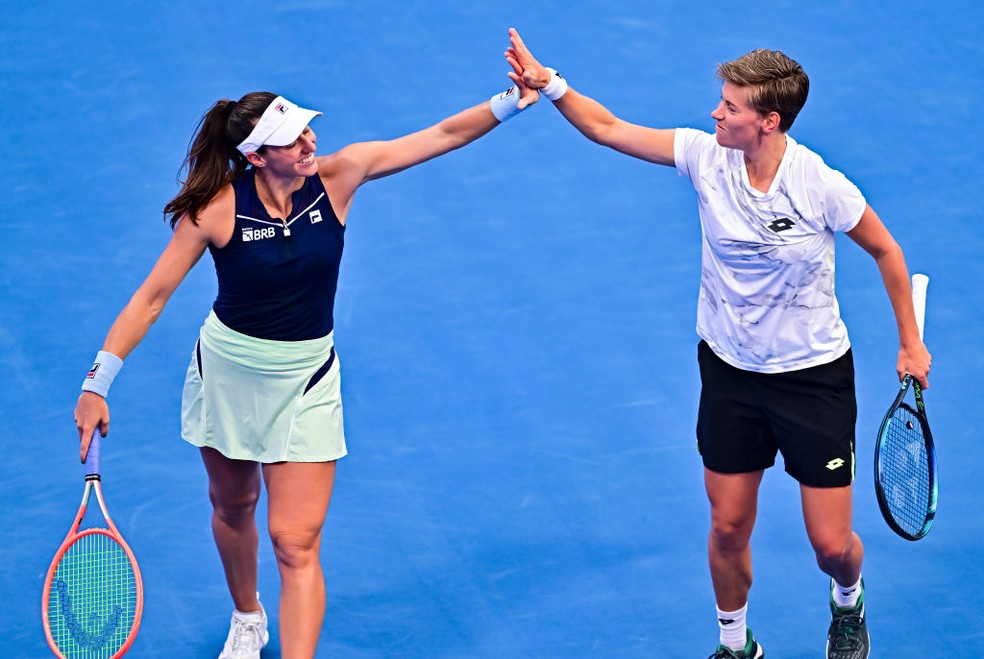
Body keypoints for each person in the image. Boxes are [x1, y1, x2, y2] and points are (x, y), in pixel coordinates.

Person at [73, 69, 540, 658]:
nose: (309, 143)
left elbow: (442, 134)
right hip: (227, 376)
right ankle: (248, 617)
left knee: (295, 541)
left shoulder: (340, 177)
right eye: (292, 139)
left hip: (308, 381)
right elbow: (151, 297)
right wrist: (98, 383)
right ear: (257, 156)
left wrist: (514, 102)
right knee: (233, 505)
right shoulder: (218, 209)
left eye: (307, 131)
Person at [504, 28, 931, 659]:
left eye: (730, 107)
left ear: (768, 121)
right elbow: (609, 128)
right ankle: (737, 646)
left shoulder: (820, 185)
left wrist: (910, 343)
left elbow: (886, 251)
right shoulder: (706, 156)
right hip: (730, 371)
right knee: (728, 525)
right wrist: (552, 84)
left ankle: (848, 603)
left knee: (830, 545)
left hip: (812, 378)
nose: (715, 113)